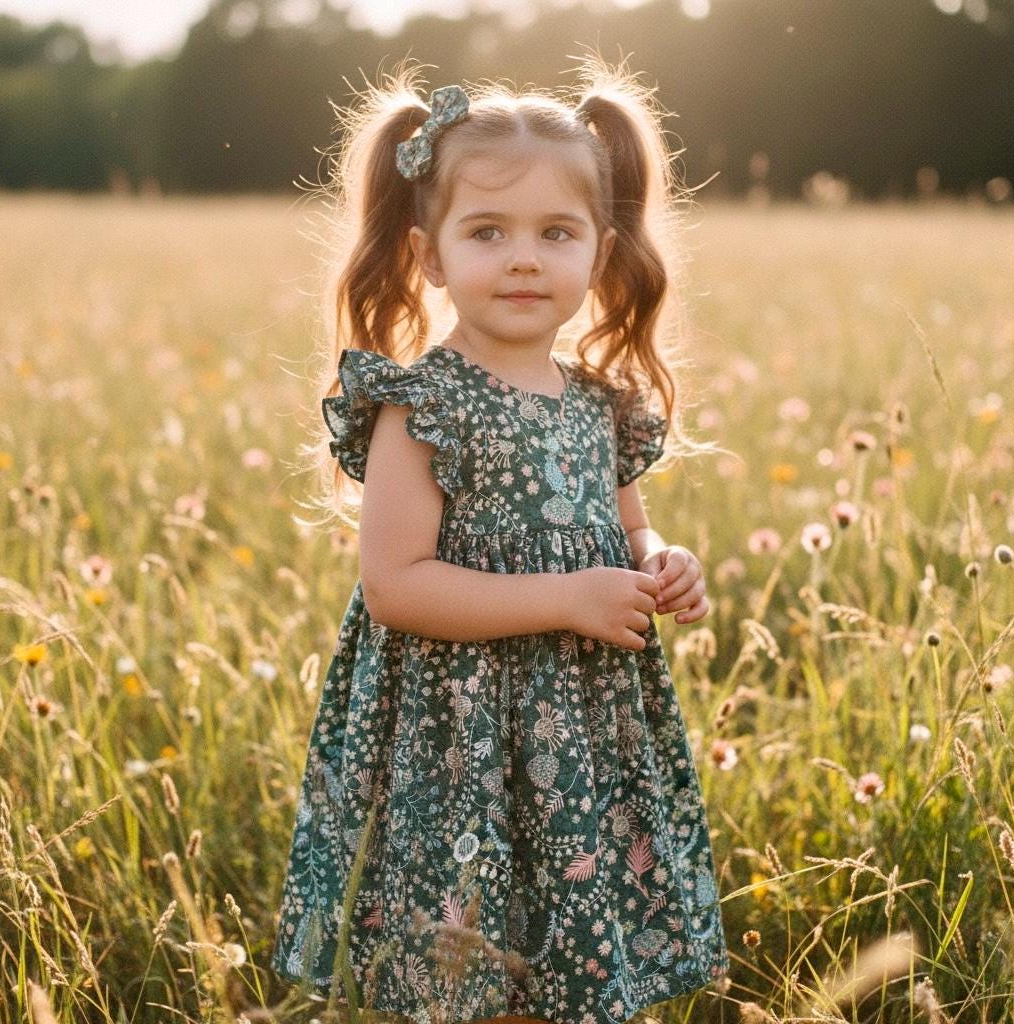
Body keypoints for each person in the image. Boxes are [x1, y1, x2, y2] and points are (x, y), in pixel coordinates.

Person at [271, 52, 731, 1024]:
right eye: (487, 232)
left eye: (555, 232)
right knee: (471, 958)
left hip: (578, 727)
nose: (523, 257)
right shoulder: (421, 406)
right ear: (431, 255)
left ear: (597, 255)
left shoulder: (602, 407)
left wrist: (660, 565)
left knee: (565, 930)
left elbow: (630, 528)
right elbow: (397, 583)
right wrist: (566, 598)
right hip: (459, 732)